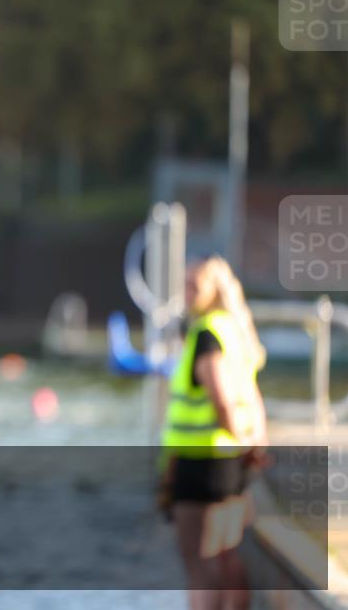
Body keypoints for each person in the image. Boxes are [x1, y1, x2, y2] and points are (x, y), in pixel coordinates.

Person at [160, 256, 268, 610]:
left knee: (199, 563)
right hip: (231, 463)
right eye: (185, 284)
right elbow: (252, 394)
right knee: (227, 558)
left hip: (201, 466)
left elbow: (222, 400)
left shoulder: (207, 335)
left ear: (214, 291)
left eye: (195, 286)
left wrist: (238, 437)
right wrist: (253, 443)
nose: (187, 293)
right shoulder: (235, 332)